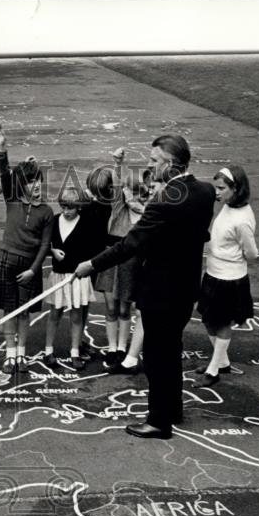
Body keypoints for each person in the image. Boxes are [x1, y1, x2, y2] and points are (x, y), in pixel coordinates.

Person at [75, 134, 215, 439]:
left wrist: (92, 265)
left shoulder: (163, 202)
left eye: (154, 161)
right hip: (186, 287)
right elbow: (199, 233)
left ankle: (159, 421)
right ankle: (172, 409)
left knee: (156, 356)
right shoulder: (205, 192)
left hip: (160, 292)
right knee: (172, 349)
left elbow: (130, 244)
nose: (149, 166)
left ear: (170, 164)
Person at [0, 125, 55, 372]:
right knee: (8, 310)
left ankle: (22, 355)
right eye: (30, 181)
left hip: (29, 266)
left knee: (24, 312)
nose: (35, 185)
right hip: (7, 259)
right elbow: (6, 175)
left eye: (38, 180)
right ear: (22, 185)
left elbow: (45, 245)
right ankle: (10, 355)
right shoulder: (12, 199)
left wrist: (33, 271)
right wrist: (2, 148)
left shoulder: (47, 212)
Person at [193, 165, 259, 388]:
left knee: (221, 323)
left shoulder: (242, 219)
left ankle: (214, 369)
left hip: (230, 279)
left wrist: (231, 257)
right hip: (213, 273)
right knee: (209, 320)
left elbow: (252, 253)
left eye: (221, 188)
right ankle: (222, 361)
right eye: (216, 187)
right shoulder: (228, 207)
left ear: (236, 188)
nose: (217, 192)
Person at [90, 149, 141, 365]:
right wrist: (118, 162)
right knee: (111, 307)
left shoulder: (145, 212)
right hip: (111, 258)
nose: (132, 195)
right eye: (129, 191)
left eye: (138, 192)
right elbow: (117, 184)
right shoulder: (118, 208)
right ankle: (112, 347)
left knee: (124, 307)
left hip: (130, 261)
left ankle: (122, 346)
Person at [44, 187, 99, 370]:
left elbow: (92, 249)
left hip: (77, 277)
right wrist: (51, 251)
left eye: (71, 208)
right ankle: (48, 351)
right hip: (59, 275)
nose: (67, 211)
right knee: (54, 313)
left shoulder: (86, 222)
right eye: (64, 207)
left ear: (79, 207)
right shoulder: (54, 221)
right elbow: (45, 243)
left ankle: (75, 352)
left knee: (76, 316)